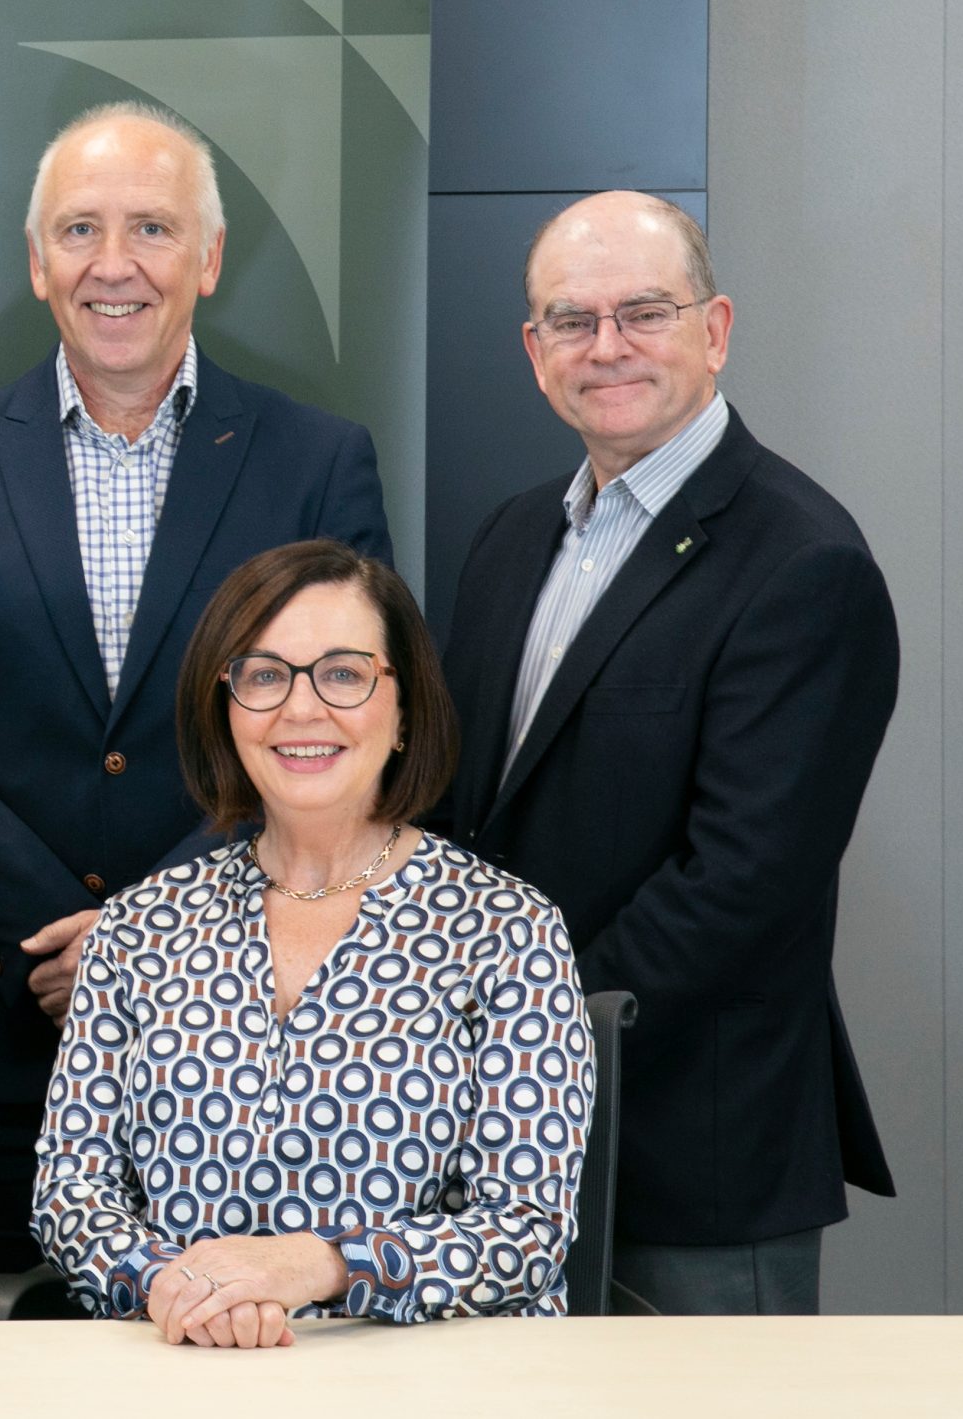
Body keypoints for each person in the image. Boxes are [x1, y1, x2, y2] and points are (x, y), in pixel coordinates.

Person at [0, 102, 392, 1292]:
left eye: (151, 227)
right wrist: (48, 935)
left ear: (208, 258)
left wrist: (145, 945)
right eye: (79, 230)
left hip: (251, 1047)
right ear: (37, 265)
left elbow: (340, 728)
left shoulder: (315, 462)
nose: (114, 263)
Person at [436, 192, 899, 1314]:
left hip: (692, 1153)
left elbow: (743, 882)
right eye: (570, 320)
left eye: (643, 311)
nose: (606, 348)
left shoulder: (803, 562)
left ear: (716, 327)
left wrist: (516, 1031)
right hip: (489, 1164)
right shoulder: (508, 541)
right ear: (532, 351)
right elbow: (456, 813)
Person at [36, 539, 592, 1342]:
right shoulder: (138, 926)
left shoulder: (507, 929)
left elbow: (526, 1230)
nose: (301, 709)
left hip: (433, 1383)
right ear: (223, 710)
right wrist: (183, 1290)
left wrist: (320, 1265)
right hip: (185, 1367)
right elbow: (71, 1193)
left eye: (343, 673)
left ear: (404, 712)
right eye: (263, 675)